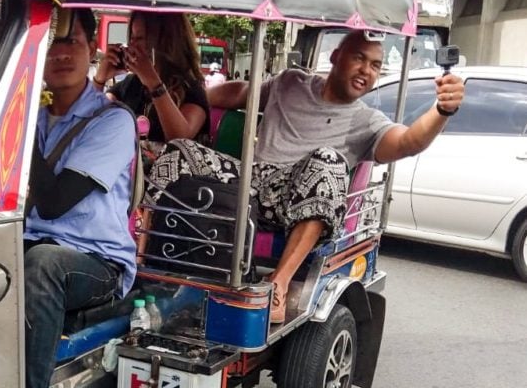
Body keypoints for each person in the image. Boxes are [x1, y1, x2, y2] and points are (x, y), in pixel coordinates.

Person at [146, 30, 466, 323]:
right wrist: (193, 96)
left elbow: (409, 141)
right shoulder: (290, 83)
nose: (366, 71)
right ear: (335, 57)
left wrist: (441, 111)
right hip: (249, 183)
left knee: (327, 158)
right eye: (359, 58)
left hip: (297, 199)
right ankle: (143, 257)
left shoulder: (367, 121)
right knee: (180, 149)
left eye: (375, 65)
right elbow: (241, 93)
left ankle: (278, 286)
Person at [24, 8, 137, 388]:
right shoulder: (34, 117)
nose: (60, 53)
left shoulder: (112, 121)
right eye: (50, 42)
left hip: (95, 262)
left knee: (44, 265)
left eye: (71, 41)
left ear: (92, 49)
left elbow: (53, 203)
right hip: (30, 243)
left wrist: (14, 123)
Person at [93, 12, 209, 150]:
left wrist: (153, 82)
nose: (132, 45)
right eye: (132, 38)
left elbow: (178, 140)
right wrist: (100, 79)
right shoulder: (132, 84)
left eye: (140, 38)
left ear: (165, 42)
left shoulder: (189, 87)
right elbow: (91, 117)